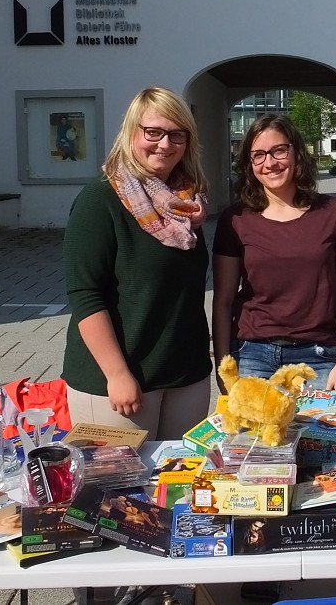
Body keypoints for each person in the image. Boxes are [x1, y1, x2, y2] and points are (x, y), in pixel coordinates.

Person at [62, 86, 210, 441]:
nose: (164, 144)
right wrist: (117, 374)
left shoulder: (186, 205)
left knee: (179, 485)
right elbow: (85, 293)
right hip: (119, 381)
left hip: (185, 375)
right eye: (153, 132)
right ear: (131, 133)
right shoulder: (101, 199)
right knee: (118, 494)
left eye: (177, 135)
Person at [212, 114, 336, 391]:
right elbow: (223, 301)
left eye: (279, 150)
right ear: (249, 163)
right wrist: (224, 370)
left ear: (296, 152)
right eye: (258, 155)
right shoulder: (235, 219)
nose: (270, 163)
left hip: (318, 358)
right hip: (252, 356)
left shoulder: (332, 212)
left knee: (317, 436)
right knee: (252, 436)